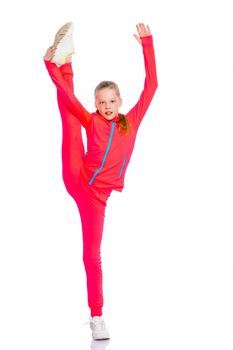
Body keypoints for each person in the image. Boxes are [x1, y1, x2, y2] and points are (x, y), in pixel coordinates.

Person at [43, 21, 158, 340]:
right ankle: (64, 60)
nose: (106, 107)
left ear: (120, 102)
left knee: (92, 254)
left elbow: (152, 86)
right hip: (76, 174)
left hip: (96, 198)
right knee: (70, 117)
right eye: (101, 102)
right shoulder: (92, 121)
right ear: (97, 105)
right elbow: (70, 101)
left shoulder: (130, 122)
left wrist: (147, 46)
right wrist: (50, 67)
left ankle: (96, 316)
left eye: (111, 101)